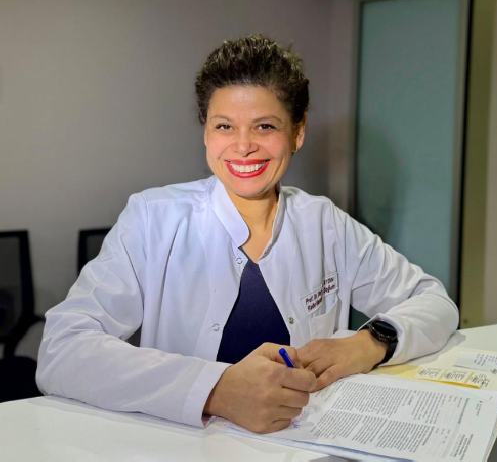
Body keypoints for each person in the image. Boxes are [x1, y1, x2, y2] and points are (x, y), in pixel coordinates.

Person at [36, 35, 459, 434]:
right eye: (224, 126)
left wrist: (370, 342)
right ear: (206, 131)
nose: (242, 147)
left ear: (297, 131)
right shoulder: (153, 219)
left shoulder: (325, 223)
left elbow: (434, 302)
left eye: (264, 127)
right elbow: (63, 350)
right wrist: (215, 390)